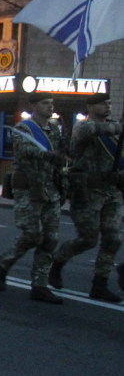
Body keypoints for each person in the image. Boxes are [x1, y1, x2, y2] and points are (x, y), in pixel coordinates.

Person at [0, 92, 66, 303]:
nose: (50, 107)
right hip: (29, 188)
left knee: (51, 239)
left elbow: (60, 156)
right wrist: (45, 154)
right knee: (33, 234)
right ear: (34, 105)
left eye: (51, 103)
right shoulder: (24, 128)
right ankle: (3, 264)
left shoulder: (54, 129)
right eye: (45, 103)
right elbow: (24, 150)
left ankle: (40, 285)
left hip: (50, 188)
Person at [49, 92, 122, 301]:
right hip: (88, 191)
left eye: (109, 103)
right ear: (90, 108)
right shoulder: (84, 127)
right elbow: (99, 130)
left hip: (112, 191)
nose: (107, 107)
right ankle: (57, 262)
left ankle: (99, 284)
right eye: (102, 104)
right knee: (88, 239)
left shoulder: (115, 130)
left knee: (113, 238)